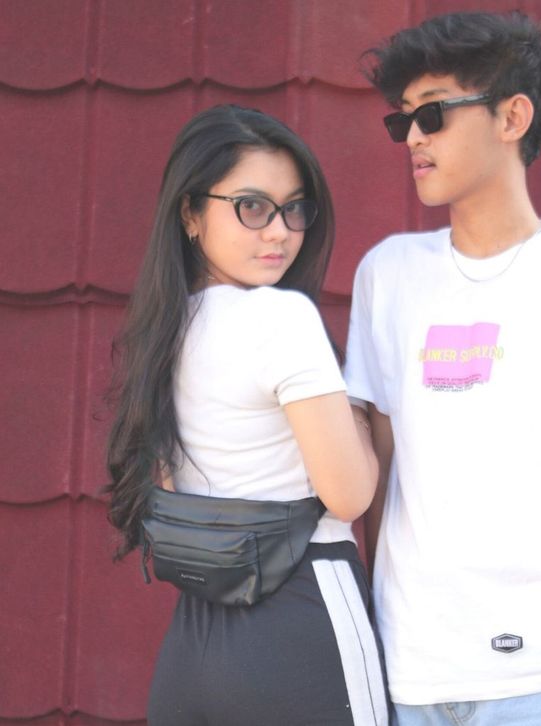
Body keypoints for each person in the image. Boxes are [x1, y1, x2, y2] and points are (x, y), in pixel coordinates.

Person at [345, 11, 541, 726]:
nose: (414, 136)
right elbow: (381, 471)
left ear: (513, 117)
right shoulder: (388, 273)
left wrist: (518, 584)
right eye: (403, 121)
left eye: (433, 113)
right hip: (411, 671)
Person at [105, 104, 388, 726]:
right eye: (252, 206)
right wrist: (357, 411)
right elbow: (349, 495)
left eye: (295, 209)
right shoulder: (281, 318)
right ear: (190, 212)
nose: (280, 232)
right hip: (302, 619)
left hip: (192, 647)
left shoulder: (164, 330)